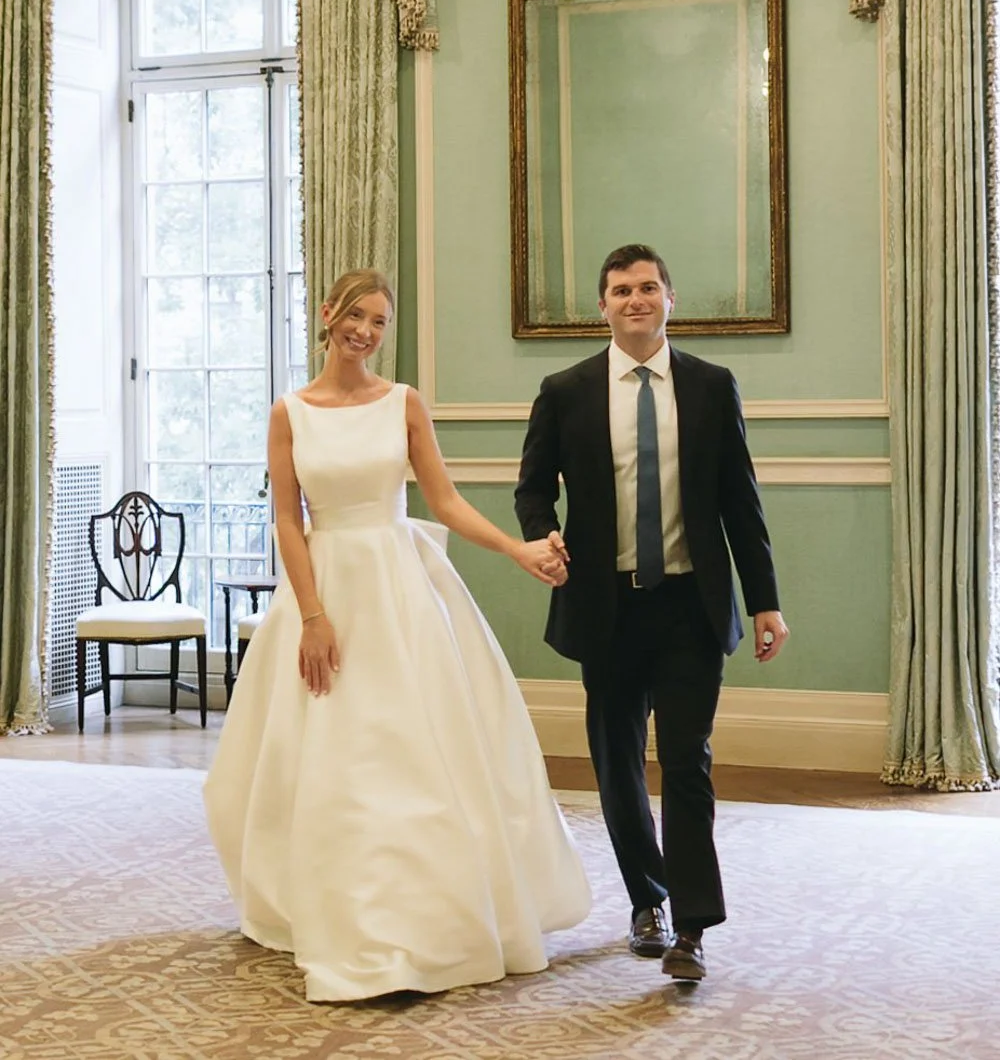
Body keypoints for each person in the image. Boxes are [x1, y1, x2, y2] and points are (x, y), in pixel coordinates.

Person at [204, 270, 591, 1003]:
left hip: (399, 588)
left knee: (414, 749)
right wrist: (313, 616)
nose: (367, 332)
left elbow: (442, 500)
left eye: (380, 322)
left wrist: (516, 550)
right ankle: (330, 899)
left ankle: (425, 909)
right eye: (357, 316)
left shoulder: (403, 404)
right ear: (328, 315)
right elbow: (289, 518)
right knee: (328, 751)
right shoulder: (290, 412)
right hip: (326, 591)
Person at [514, 243, 788, 983]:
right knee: (617, 764)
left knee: (688, 761)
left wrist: (764, 601)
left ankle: (693, 928)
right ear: (601, 306)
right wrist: (542, 534)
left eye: (647, 287)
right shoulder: (565, 390)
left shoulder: (709, 386)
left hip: (689, 605)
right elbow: (533, 486)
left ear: (670, 298)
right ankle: (647, 900)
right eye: (619, 290)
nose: (634, 299)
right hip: (605, 606)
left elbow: (742, 503)